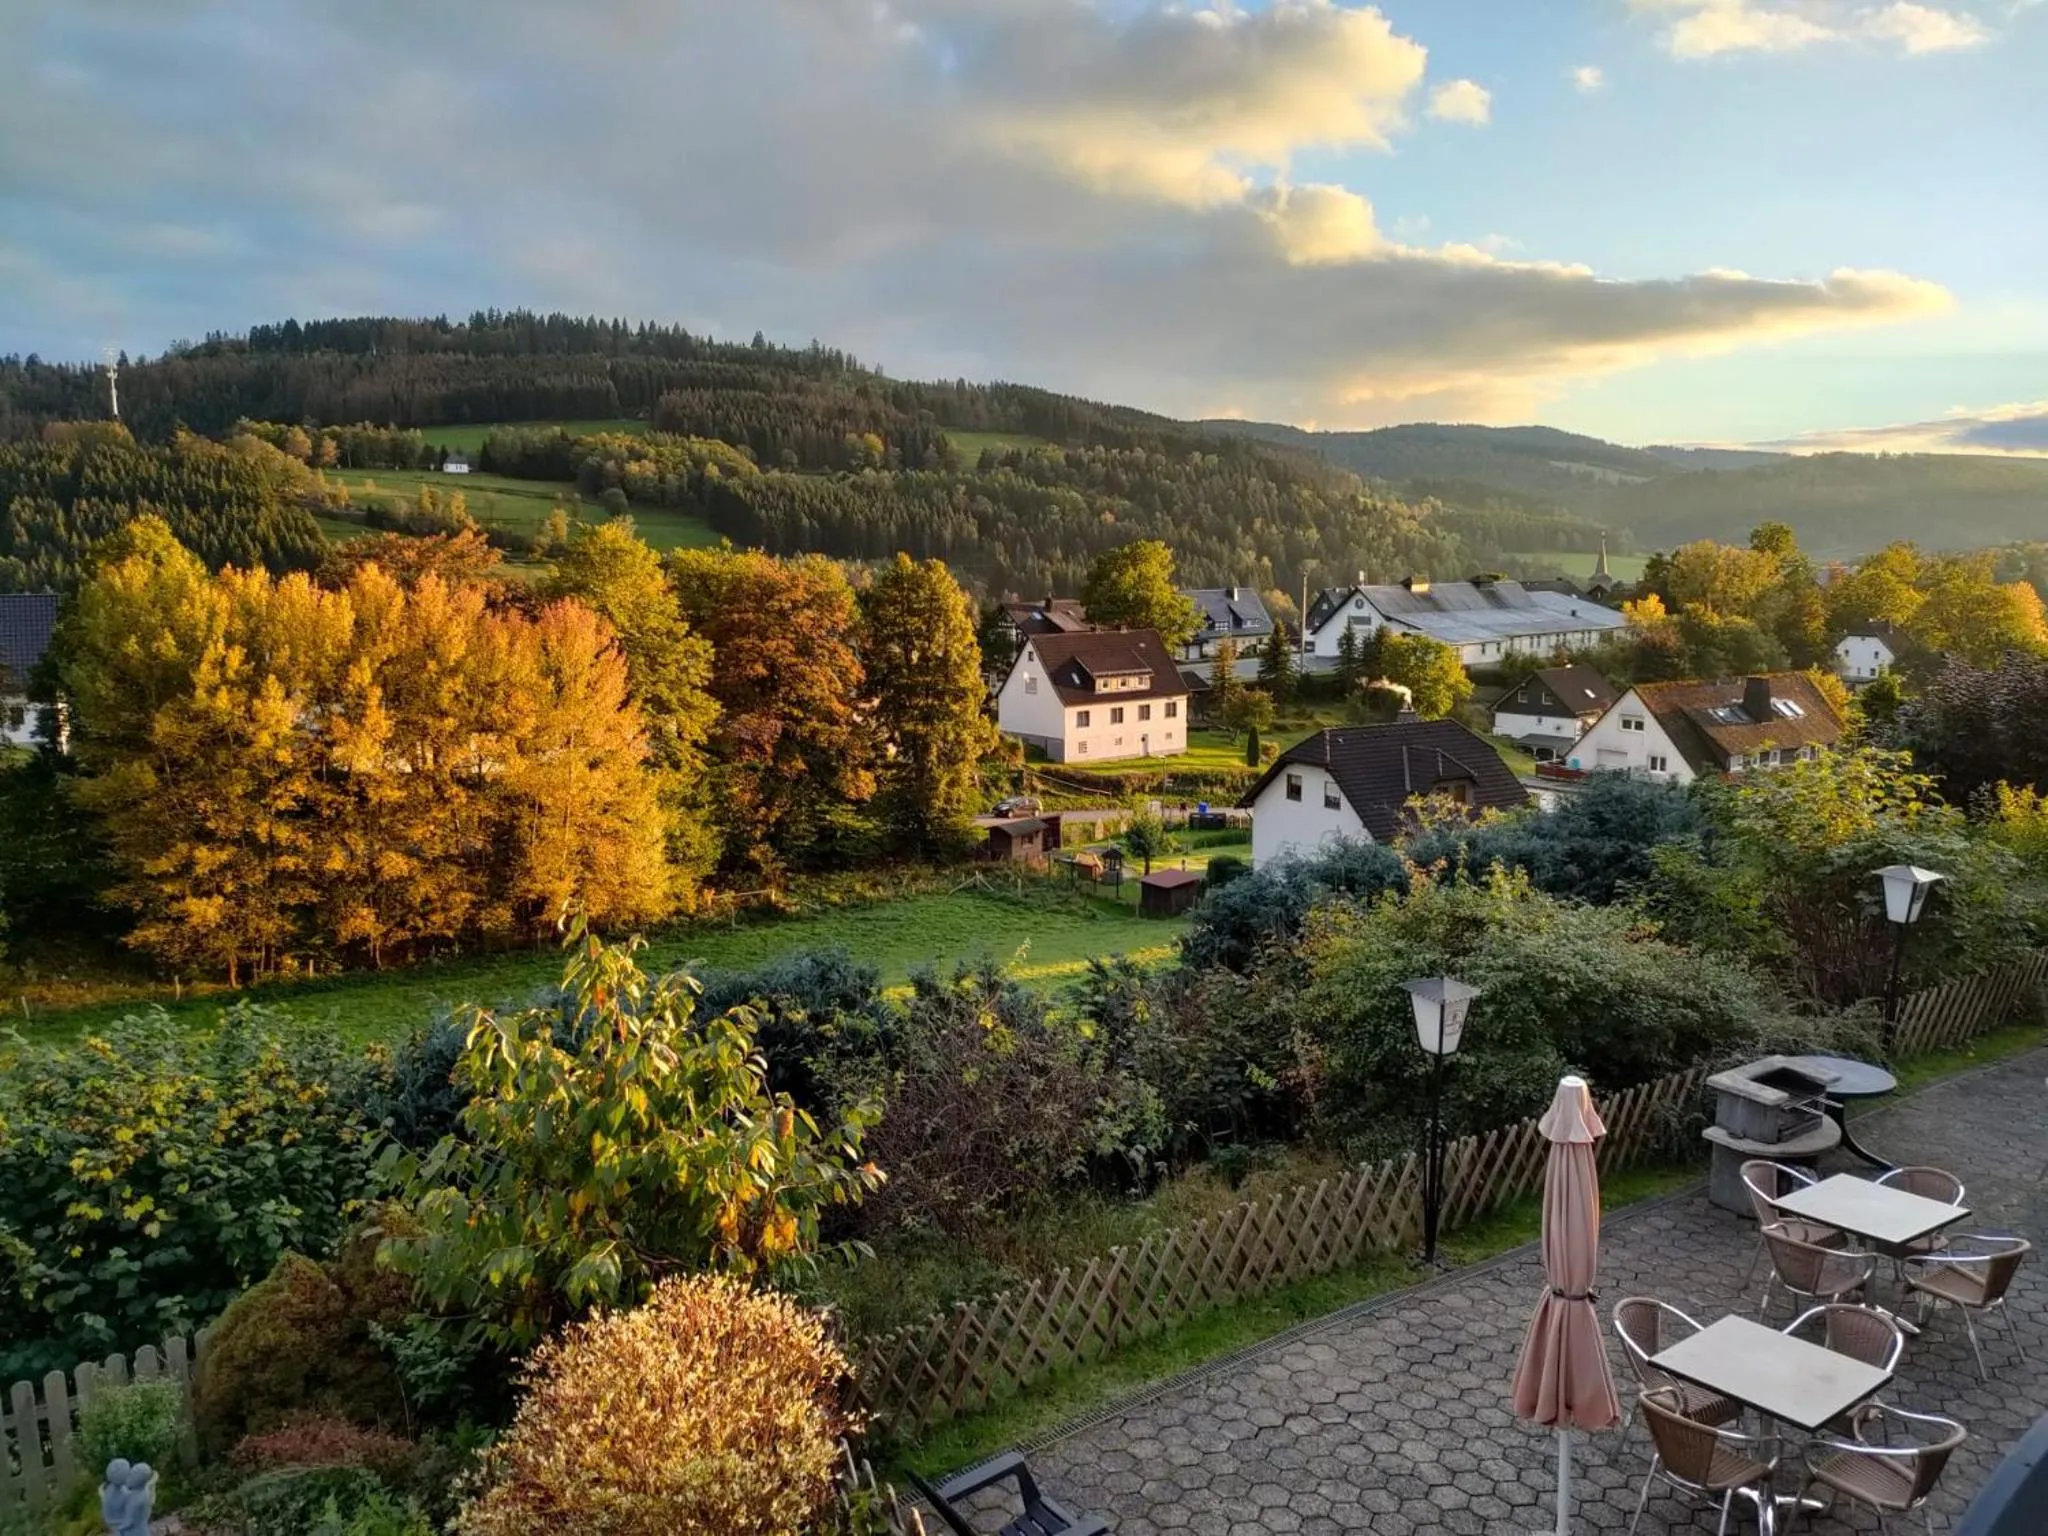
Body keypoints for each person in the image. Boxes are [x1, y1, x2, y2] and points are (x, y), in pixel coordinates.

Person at [99, 1458, 156, 1536]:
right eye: (129, 1474)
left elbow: (129, 1521)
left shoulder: (135, 1497)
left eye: (132, 1475)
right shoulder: (138, 1492)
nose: (129, 1477)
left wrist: (120, 1529)